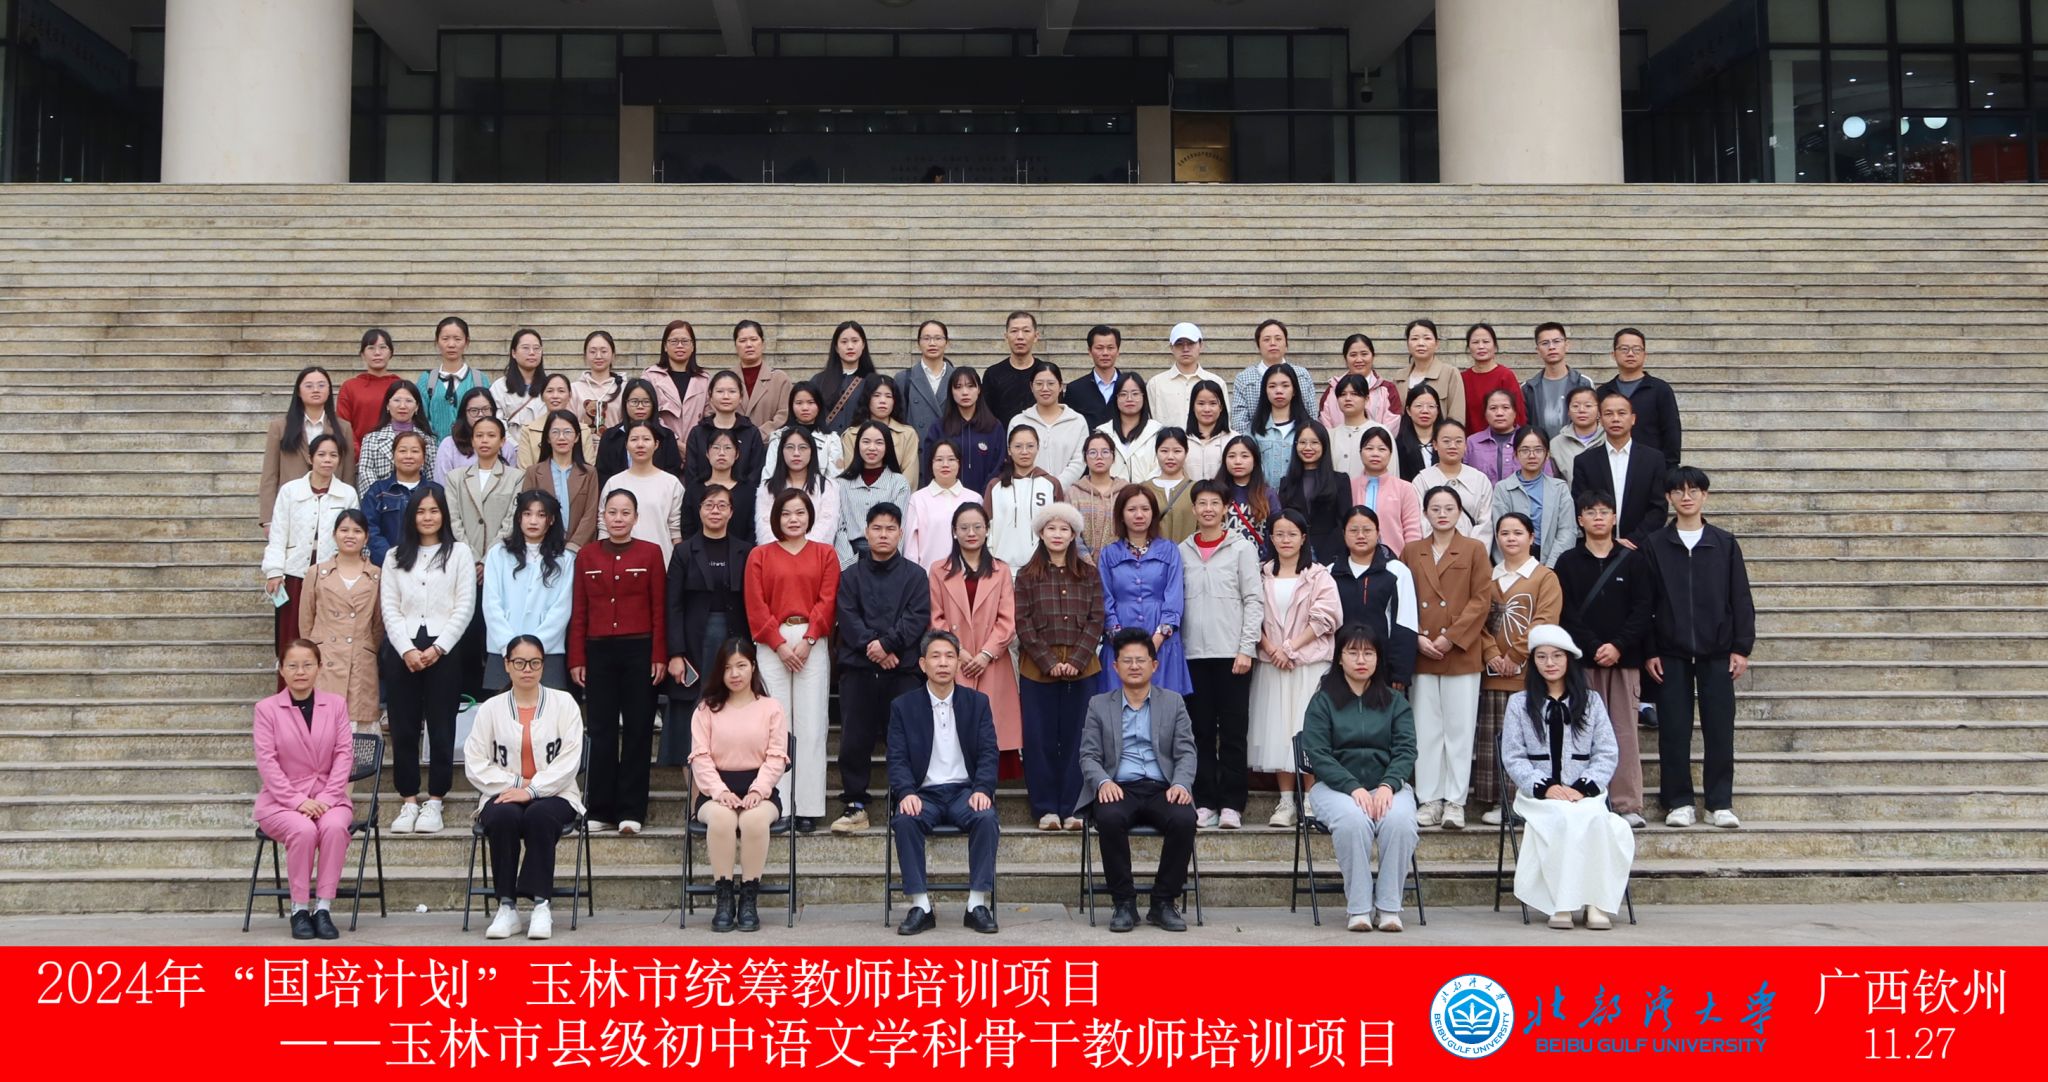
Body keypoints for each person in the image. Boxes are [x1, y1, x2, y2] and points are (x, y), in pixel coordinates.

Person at [1644, 467, 1755, 830]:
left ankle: (1719, 803)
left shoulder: (1724, 543)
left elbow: (1740, 597)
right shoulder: (1656, 544)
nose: (1686, 497)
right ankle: (1678, 802)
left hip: (1717, 651)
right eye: (1678, 491)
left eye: (1694, 490)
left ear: (1705, 495)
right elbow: (1645, 602)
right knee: (1673, 730)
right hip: (1670, 652)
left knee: (1719, 729)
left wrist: (1741, 647)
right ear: (1669, 498)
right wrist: (1650, 649)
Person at [1500, 625, 1633, 929]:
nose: (1550, 663)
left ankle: (1595, 903)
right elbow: (1513, 756)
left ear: (1569, 659)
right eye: (1542, 657)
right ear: (1533, 662)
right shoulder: (1519, 704)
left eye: (1557, 656)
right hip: (1538, 796)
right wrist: (1543, 786)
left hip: (1584, 794)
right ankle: (1561, 903)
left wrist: (1584, 787)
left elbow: (1607, 752)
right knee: (1561, 819)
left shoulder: (1591, 702)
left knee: (1598, 821)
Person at [1301, 623, 1420, 932]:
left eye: (1368, 652)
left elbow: (1406, 751)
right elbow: (1318, 753)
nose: (1361, 659)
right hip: (1334, 789)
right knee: (1353, 820)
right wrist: (1352, 787)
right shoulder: (1322, 702)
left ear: (1379, 658)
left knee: (1400, 821)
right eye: (1352, 652)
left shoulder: (1395, 702)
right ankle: (1359, 909)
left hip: (1387, 786)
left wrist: (1388, 785)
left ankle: (1389, 908)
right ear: (1339, 658)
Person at [466, 635, 587, 941]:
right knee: (502, 817)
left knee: (539, 816)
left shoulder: (564, 704)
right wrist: (519, 785)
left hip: (557, 793)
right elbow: (475, 762)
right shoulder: (490, 709)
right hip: (504, 791)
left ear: (543, 666)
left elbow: (570, 760)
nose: (527, 669)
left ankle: (541, 904)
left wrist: (534, 791)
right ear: (506, 665)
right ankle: (507, 907)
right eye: (519, 662)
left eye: (534, 663)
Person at [1078, 630, 1199, 933]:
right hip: (1119, 786)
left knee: (1184, 819)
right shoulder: (1098, 705)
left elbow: (1186, 752)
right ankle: (1124, 902)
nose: (1134, 666)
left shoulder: (1173, 702)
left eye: (1141, 660)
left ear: (1154, 665)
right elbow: (1088, 755)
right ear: (1115, 666)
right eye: (1127, 660)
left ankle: (1163, 902)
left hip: (1163, 787)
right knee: (1108, 817)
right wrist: (1103, 782)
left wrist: (1181, 784)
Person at [887, 630, 1003, 935]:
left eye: (950, 656)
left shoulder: (977, 703)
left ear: (958, 662)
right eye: (936, 656)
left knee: (986, 817)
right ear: (922, 664)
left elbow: (989, 752)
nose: (943, 663)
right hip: (923, 793)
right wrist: (905, 792)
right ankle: (921, 906)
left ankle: (976, 904)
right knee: (905, 819)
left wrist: (982, 789)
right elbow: (896, 758)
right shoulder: (903, 706)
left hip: (964, 792)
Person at [1555, 490, 1654, 829]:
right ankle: (1585, 798)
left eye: (1604, 511)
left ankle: (1626, 803)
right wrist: (1595, 645)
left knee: (1624, 731)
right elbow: (1566, 612)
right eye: (1590, 512)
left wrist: (1618, 646)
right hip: (1583, 661)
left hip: (1624, 661)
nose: (1598, 517)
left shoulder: (1634, 560)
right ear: (1580, 520)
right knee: (1581, 731)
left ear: (1614, 518)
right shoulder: (1568, 562)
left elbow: (1643, 609)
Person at [569, 490, 666, 835]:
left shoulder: (650, 553)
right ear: (603, 516)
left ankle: (631, 810)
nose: (619, 518)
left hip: (639, 650)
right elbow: (579, 609)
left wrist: (659, 655)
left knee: (639, 730)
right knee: (601, 731)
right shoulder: (587, 555)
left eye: (626, 512)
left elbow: (659, 608)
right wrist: (577, 657)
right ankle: (599, 808)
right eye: (612, 512)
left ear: (636, 518)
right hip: (598, 651)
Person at [744, 487, 841, 832]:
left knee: (811, 725)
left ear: (810, 517)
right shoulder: (760, 555)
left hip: (812, 641)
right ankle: (778, 804)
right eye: (786, 514)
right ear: (776, 518)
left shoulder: (825, 553)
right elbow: (755, 604)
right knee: (775, 725)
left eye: (800, 512)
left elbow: (828, 600)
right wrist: (779, 644)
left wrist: (810, 638)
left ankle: (808, 807)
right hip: (772, 643)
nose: (793, 519)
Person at [831, 503, 931, 834]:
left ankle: (905, 798)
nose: (883, 535)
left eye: (890, 529)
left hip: (902, 670)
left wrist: (887, 645)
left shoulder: (916, 575)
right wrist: (875, 648)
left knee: (904, 738)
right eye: (877, 528)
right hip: (859, 669)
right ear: (866, 532)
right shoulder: (850, 576)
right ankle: (855, 804)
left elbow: (917, 617)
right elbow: (847, 618)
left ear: (901, 533)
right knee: (854, 739)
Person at [379, 486, 474, 835]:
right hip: (403, 649)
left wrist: (439, 647)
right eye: (421, 511)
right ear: (411, 516)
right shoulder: (394, 556)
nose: (428, 517)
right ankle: (408, 800)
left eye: (434, 510)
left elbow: (465, 605)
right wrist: (406, 649)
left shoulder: (459, 553)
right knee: (403, 726)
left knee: (441, 725)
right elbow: (389, 607)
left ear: (444, 514)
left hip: (444, 649)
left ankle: (435, 799)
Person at [251, 640, 356, 940]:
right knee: (303, 830)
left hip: (329, 798)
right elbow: (267, 762)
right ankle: (299, 909)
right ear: (281, 670)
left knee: (334, 828)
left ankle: (323, 908)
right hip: (280, 802)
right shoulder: (266, 709)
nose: (300, 672)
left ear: (319, 668)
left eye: (308, 665)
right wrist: (297, 801)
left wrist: (326, 798)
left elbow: (344, 755)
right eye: (293, 665)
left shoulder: (335, 705)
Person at [1401, 485, 1492, 831]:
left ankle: (1455, 801)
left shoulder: (1474, 549)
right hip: (1423, 650)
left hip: (1461, 651)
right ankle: (1429, 799)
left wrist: (1450, 637)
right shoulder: (1412, 551)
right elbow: (1403, 598)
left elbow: (1481, 600)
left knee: (1459, 729)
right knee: (1426, 729)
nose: (1442, 514)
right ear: (1425, 513)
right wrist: (1417, 637)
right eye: (1435, 508)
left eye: (1449, 508)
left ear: (1459, 513)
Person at [1014, 503, 1106, 832]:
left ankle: (1073, 808)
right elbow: (1023, 623)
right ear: (1041, 533)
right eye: (1051, 528)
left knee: (1078, 738)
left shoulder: (1089, 574)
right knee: (1038, 739)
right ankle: (1046, 808)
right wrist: (1049, 661)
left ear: (1073, 535)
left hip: (1083, 668)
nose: (1057, 534)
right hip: (1037, 669)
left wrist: (1077, 660)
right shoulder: (1026, 575)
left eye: (1064, 529)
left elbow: (1096, 619)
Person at [1177, 481, 1263, 830]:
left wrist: (1246, 648)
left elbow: (1253, 600)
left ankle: (1231, 804)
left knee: (1232, 732)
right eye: (1202, 503)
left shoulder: (1241, 548)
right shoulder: (1182, 550)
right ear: (1194, 509)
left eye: (1215, 503)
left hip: (1232, 655)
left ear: (1226, 507)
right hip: (1192, 655)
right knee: (1198, 731)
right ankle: (1205, 801)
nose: (1208, 509)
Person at [1248, 510, 1341, 827]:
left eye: (1292, 534)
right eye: (1279, 534)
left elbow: (1327, 617)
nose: (1285, 540)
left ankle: (1311, 798)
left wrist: (1290, 648)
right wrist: (1270, 648)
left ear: (1303, 537)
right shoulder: (1261, 574)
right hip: (1272, 664)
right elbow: (1251, 615)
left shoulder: (1318, 575)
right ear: (1271, 538)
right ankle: (1286, 801)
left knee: (1308, 729)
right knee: (1277, 730)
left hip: (1308, 664)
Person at [688, 639, 788, 933]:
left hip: (761, 790)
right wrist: (719, 792)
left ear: (753, 667)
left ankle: (748, 897)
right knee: (722, 818)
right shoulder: (706, 709)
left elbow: (776, 756)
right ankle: (724, 897)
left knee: (753, 820)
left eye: (741, 666)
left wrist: (758, 790)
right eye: (728, 668)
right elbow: (700, 758)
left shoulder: (771, 708)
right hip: (714, 791)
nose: (735, 674)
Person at [1475, 512, 1564, 826]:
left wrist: (1515, 655)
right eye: (1504, 533)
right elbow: (1477, 619)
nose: (1510, 539)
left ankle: (1527, 799)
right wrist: (1491, 653)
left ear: (1531, 537)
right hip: (1492, 672)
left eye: (1518, 533)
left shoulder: (1544, 577)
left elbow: (1545, 618)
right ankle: (1499, 800)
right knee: (1495, 737)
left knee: (1528, 738)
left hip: (1528, 673)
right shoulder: (1487, 576)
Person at [661, 484, 752, 768]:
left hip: (733, 638)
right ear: (699, 510)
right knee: (690, 712)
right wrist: (675, 653)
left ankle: (728, 775)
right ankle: (693, 786)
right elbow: (672, 605)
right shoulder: (684, 552)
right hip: (693, 641)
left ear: (731, 512)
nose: (715, 511)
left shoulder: (745, 551)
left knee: (730, 705)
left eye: (722, 505)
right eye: (709, 505)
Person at [927, 503, 1024, 767]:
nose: (971, 533)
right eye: (964, 527)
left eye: (978, 527)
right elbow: (936, 617)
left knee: (991, 730)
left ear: (987, 530)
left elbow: (1007, 619)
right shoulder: (938, 570)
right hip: (954, 660)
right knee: (956, 732)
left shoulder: (1001, 570)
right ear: (954, 531)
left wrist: (985, 654)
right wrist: (959, 652)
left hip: (992, 661)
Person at [262, 434, 358, 668]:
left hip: (331, 575)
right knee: (291, 638)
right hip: (295, 574)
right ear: (310, 457)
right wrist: (274, 571)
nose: (327, 460)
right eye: (321, 455)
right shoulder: (290, 491)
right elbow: (278, 534)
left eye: (333, 455)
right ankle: (288, 687)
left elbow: (353, 537)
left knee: (327, 637)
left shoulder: (347, 494)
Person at [444, 413, 519, 699]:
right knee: (467, 634)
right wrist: (472, 558)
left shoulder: (516, 477)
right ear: (472, 441)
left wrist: (488, 561)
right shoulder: (456, 478)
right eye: (479, 435)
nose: (485, 440)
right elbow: (454, 520)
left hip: (501, 566)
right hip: (465, 567)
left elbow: (511, 521)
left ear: (502, 441)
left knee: (496, 631)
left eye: (491, 435)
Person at [1098, 485, 1193, 694]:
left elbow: (1174, 597)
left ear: (1153, 514)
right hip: (1120, 641)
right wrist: (1122, 642)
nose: (1139, 515)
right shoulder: (1109, 554)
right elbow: (1105, 599)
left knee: (1163, 705)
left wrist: (1157, 640)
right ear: (1121, 515)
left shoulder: (1169, 550)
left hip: (1163, 642)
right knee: (1120, 706)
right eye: (1132, 509)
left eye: (1145, 509)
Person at [297, 510, 382, 729]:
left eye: (357, 531)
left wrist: (365, 647)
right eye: (344, 530)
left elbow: (378, 625)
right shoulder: (317, 573)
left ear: (366, 537)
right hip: (326, 660)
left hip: (360, 662)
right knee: (321, 727)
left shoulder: (376, 576)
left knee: (358, 731)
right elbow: (306, 621)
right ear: (334, 534)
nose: (350, 536)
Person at [482, 491, 574, 692]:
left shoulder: (564, 559)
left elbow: (561, 609)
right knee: (501, 708)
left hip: (548, 653)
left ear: (551, 520)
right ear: (518, 517)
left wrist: (535, 649)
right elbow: (491, 605)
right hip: (503, 651)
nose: (533, 521)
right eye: (527, 514)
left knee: (547, 709)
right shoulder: (498, 554)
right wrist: (510, 647)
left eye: (541, 515)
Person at [1329, 507, 1420, 692]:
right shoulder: (1330, 572)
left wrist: (1400, 671)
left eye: (1367, 530)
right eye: (1354, 530)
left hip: (1382, 667)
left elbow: (1406, 622)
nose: (1360, 535)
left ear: (1378, 533)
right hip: (1339, 666)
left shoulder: (1396, 571)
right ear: (1344, 534)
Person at [259, 366, 357, 531]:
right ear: (298, 391)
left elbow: (348, 474)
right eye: (309, 386)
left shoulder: (343, 427)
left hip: (331, 510)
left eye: (321, 385)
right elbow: (270, 475)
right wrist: (267, 519)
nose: (315, 390)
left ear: (329, 390)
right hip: (292, 507)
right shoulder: (280, 427)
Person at [1569, 391, 1671, 548]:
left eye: (1622, 413)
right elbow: (1581, 505)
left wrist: (1634, 540)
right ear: (1600, 420)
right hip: (1598, 547)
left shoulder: (1653, 459)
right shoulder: (1585, 461)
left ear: (1633, 419)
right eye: (1608, 414)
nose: (1615, 419)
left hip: (1641, 547)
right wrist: (1606, 541)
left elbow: (1658, 508)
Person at [602, 420, 687, 564]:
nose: (640, 445)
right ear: (626, 445)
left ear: (656, 444)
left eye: (646, 439)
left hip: (662, 562)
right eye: (634, 439)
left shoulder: (671, 483)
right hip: (619, 564)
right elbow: (603, 526)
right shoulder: (614, 483)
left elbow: (676, 530)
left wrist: (677, 566)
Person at [1493, 426, 1577, 566]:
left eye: (1538, 450)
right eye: (1525, 450)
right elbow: (1501, 533)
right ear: (1515, 454)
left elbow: (1567, 531)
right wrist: (1516, 567)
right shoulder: (1503, 488)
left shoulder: (1560, 488)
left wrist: (1550, 567)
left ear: (1547, 454)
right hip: (1514, 564)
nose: (1532, 455)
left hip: (1552, 562)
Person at [1596, 328, 1682, 464]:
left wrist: (1669, 467)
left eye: (1636, 349)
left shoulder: (1660, 389)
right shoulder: (1603, 392)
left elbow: (1671, 431)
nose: (1630, 354)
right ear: (1613, 354)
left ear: (1644, 355)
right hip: (1611, 464)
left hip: (1651, 466)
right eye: (1624, 349)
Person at [983, 424, 1063, 567]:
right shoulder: (995, 486)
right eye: (1018, 446)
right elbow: (985, 528)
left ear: (1038, 448)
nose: (1024, 452)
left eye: (1030, 446)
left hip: (1042, 568)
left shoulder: (1051, 484)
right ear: (1009, 450)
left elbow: (1060, 526)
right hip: (1001, 567)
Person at [835, 420, 913, 565]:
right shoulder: (841, 483)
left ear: (887, 446)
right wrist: (849, 566)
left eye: (879, 442)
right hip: (851, 557)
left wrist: (891, 563)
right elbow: (839, 529)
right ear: (858, 445)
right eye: (866, 442)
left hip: (888, 558)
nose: (872, 448)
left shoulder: (899, 483)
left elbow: (899, 526)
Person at [521, 410, 598, 550]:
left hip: (579, 549)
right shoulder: (533, 472)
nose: (561, 437)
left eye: (567, 432)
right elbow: (527, 511)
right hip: (542, 548)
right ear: (548, 438)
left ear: (577, 437)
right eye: (555, 432)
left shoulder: (589, 473)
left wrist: (574, 545)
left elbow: (590, 514)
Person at [362, 431, 440, 566]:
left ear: (424, 458)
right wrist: (391, 557)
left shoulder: (436, 491)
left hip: (429, 565)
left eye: (415, 451)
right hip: (387, 565)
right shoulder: (378, 491)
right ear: (393, 455)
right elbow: (369, 528)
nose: (408, 456)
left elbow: (444, 530)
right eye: (402, 451)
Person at [903, 439, 983, 567]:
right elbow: (910, 548)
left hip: (967, 574)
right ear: (931, 464)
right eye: (939, 460)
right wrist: (915, 575)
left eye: (951, 459)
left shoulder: (974, 499)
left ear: (959, 463)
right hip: (928, 574)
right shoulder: (918, 499)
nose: (945, 464)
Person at [924, 367, 1004, 495]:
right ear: (951, 391)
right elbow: (930, 467)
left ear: (979, 389)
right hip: (946, 497)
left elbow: (998, 467)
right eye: (958, 387)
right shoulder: (939, 427)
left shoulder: (994, 426)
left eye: (970, 386)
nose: (965, 392)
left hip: (986, 498)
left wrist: (985, 495)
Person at [1228, 319, 1314, 436]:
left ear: (1286, 344)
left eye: (1278, 339)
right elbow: (1239, 423)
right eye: (1266, 339)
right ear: (1258, 346)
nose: (1273, 343)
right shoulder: (1244, 379)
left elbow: (1311, 416)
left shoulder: (1302, 375)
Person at [1277, 421, 1347, 564]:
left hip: (1331, 555)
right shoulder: (1286, 482)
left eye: (1314, 442)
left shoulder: (1340, 480)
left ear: (1324, 445)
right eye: (1302, 442)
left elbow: (1344, 522)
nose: (1307, 447)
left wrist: (1329, 555)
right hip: (1295, 553)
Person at [753, 428, 837, 546]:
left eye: (803, 447)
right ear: (781, 451)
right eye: (790, 447)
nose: (796, 453)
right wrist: (784, 549)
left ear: (812, 451)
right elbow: (765, 525)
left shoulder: (827, 486)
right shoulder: (768, 487)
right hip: (776, 552)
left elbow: (827, 524)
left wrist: (802, 549)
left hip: (815, 552)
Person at [683, 370, 768, 486]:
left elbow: (755, 474)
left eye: (732, 391)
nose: (726, 397)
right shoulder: (698, 432)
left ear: (741, 397)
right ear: (710, 396)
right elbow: (691, 474)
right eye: (720, 391)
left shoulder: (751, 433)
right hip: (703, 496)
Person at [1009, 364, 1089, 486]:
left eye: (1051, 383)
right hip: (1027, 491)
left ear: (1060, 386)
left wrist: (1056, 486)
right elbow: (1015, 458)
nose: (1045, 388)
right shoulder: (1018, 422)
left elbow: (1079, 461)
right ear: (1031, 386)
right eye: (1039, 384)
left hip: (1066, 493)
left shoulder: (1077, 421)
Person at [1414, 420, 1492, 543]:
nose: (1453, 446)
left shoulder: (1480, 479)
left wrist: (1472, 551)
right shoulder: (1422, 480)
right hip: (1434, 550)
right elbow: (1422, 521)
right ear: (1435, 445)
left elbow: (1486, 523)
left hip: (1472, 551)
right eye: (1446, 441)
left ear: (1466, 446)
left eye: (1459, 441)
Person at [594, 379, 684, 485]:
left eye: (646, 402)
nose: (640, 407)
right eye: (634, 402)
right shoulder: (610, 437)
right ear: (625, 403)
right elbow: (603, 474)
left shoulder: (666, 436)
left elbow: (672, 472)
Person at [838, 376, 922, 488]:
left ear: (894, 401)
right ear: (867, 399)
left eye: (888, 396)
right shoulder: (851, 435)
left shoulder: (908, 434)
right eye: (876, 395)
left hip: (898, 496)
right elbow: (851, 474)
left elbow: (910, 477)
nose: (883, 401)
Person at [417, 316, 487, 441]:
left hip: (472, 447)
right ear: (437, 341)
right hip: (435, 449)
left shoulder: (479, 379)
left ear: (467, 342)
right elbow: (420, 419)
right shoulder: (427, 380)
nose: (451, 344)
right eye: (445, 339)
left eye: (457, 339)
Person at [356, 380, 435, 489]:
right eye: (397, 400)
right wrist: (381, 496)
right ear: (387, 405)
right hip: (381, 497)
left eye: (408, 401)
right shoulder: (371, 439)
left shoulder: (428, 440)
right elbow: (365, 473)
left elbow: (432, 476)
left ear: (417, 406)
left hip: (419, 497)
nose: (402, 406)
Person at [682, 428, 758, 542]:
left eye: (728, 448)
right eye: (716, 447)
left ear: (737, 454)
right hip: (698, 551)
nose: (721, 453)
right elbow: (687, 527)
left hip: (741, 551)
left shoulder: (748, 490)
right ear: (707, 453)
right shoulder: (694, 488)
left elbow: (752, 528)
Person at [1352, 427, 1422, 549]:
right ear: (1360, 452)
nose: (1375, 454)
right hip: (1355, 556)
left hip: (1395, 557)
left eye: (1382, 449)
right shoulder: (1350, 486)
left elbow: (1412, 531)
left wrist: (1409, 557)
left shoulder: (1405, 488)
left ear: (1390, 454)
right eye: (1369, 448)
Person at [643, 319, 710, 447]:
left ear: (693, 346)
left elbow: (709, 416)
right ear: (665, 346)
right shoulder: (651, 376)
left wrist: (693, 445)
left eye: (685, 341)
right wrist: (675, 442)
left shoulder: (704, 379)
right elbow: (648, 414)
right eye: (674, 341)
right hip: (662, 446)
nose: (679, 345)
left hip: (696, 448)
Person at [1522, 322, 1594, 439]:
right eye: (1545, 343)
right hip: (1541, 448)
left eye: (1556, 341)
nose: (1551, 347)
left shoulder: (1583, 383)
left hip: (1576, 447)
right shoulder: (1528, 388)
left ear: (1567, 345)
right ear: (1538, 350)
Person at [982, 310, 1056, 424]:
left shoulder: (1047, 373)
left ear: (1036, 336)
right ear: (1006, 336)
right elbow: (986, 415)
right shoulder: (992, 374)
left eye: (1026, 331)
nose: (1020, 337)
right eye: (1014, 331)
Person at [1317, 333, 1401, 431]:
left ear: (1373, 356)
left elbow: (1392, 425)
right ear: (1345, 358)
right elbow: (1325, 426)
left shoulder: (1387, 389)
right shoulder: (1333, 389)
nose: (1359, 359)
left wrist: (1374, 440)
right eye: (1353, 355)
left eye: (1364, 354)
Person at [1393, 318, 1465, 431]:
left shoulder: (1450, 373)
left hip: (1440, 439)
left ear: (1436, 344)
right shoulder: (1399, 377)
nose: (1420, 343)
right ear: (1408, 344)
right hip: (1405, 439)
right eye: (1415, 338)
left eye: (1427, 338)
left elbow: (1457, 416)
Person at [1147, 321, 1220, 430]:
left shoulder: (1216, 382)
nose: (1185, 349)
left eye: (1191, 343)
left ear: (1201, 345)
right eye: (1179, 344)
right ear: (1171, 347)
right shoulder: (1155, 384)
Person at [336, 328, 398, 453]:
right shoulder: (350, 387)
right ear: (362, 354)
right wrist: (360, 453)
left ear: (391, 352)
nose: (377, 353)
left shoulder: (400, 386)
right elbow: (343, 424)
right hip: (357, 455)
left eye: (383, 347)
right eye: (371, 348)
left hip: (394, 455)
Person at [437, 387, 520, 481]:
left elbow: (512, 482)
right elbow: (442, 484)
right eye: (474, 410)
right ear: (464, 413)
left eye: (485, 409)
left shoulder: (505, 447)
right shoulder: (449, 445)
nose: (480, 414)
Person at [1096, 371, 1164, 486]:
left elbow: (1160, 467)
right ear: (1116, 398)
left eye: (1135, 394)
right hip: (1111, 494)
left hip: (1148, 493)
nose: (1129, 399)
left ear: (1143, 397)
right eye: (1123, 394)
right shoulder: (1103, 433)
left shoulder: (1157, 432)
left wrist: (1141, 490)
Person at [1457, 322, 1525, 435]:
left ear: (1495, 346)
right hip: (1470, 441)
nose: (1481, 346)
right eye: (1475, 342)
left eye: (1486, 342)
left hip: (1503, 440)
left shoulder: (1505, 375)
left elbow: (1519, 413)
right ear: (1468, 347)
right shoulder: (1462, 378)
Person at [515, 373, 595, 469]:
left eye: (561, 391)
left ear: (570, 395)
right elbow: (525, 471)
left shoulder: (583, 431)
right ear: (542, 396)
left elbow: (588, 469)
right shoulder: (529, 431)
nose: (555, 396)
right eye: (549, 391)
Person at [811, 320, 878, 433]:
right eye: (844, 342)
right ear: (836, 347)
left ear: (863, 345)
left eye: (855, 341)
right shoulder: (818, 381)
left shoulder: (873, 382)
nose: (850, 346)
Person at [1067, 431, 1126, 557]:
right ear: (1085, 458)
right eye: (1093, 452)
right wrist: (1086, 561)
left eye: (1105, 452)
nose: (1099, 457)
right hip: (1080, 565)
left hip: (1118, 563)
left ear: (1113, 457)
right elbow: (1070, 532)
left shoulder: (1126, 492)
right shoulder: (1073, 493)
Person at [895, 319, 956, 440]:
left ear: (947, 343)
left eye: (938, 338)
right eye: (926, 338)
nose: (932, 343)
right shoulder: (903, 379)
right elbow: (897, 421)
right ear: (918, 343)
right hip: (916, 448)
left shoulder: (958, 379)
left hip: (951, 448)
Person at [769, 381, 845, 477]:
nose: (805, 408)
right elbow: (768, 476)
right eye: (799, 403)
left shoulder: (831, 439)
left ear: (819, 405)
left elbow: (836, 478)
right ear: (791, 406)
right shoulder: (778, 437)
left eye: (811, 402)